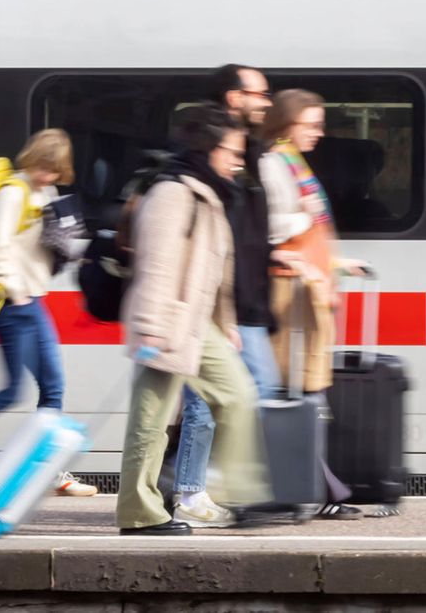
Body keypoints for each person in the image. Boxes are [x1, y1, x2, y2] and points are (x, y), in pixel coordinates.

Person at [116, 105, 270, 535]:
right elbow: (157, 266)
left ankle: (237, 494)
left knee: (238, 394)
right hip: (166, 322)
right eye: (231, 151)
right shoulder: (172, 193)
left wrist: (227, 322)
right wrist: (151, 327)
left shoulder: (207, 192)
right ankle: (139, 513)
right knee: (151, 421)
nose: (238, 160)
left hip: (198, 323)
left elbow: (215, 270)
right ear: (207, 149)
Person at [169, 65, 282, 529]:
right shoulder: (199, 164)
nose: (268, 102)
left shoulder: (251, 154)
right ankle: (191, 491)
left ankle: (209, 487)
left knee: (248, 394)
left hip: (239, 304)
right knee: (204, 404)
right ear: (234, 97)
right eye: (260, 93)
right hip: (212, 305)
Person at [0, 129, 97, 498]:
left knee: (50, 386)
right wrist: (16, 291)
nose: (48, 176)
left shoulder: (45, 193)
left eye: (54, 170)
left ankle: (50, 470)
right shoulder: (12, 193)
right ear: (33, 159)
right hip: (13, 304)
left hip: (33, 300)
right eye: (43, 167)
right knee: (11, 391)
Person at [258, 88, 368, 520]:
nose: (320, 133)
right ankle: (310, 488)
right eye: (312, 124)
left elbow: (306, 239)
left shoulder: (291, 163)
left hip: (307, 289)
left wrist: (338, 263)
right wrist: (305, 217)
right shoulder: (273, 164)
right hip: (288, 292)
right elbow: (272, 228)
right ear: (287, 123)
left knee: (306, 391)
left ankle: (319, 487)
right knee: (295, 391)